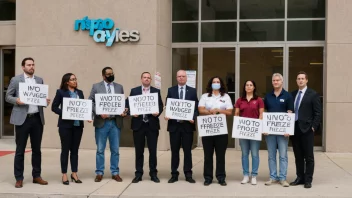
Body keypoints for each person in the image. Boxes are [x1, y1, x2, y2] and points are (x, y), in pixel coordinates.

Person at [5, 57, 51, 188]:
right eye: (29, 65)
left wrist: (45, 102)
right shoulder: (16, 80)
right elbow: (8, 96)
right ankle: (19, 178)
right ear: (23, 67)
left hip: (37, 118)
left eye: (33, 65)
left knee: (37, 150)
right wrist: (17, 100)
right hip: (22, 119)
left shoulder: (39, 80)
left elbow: (40, 97)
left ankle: (37, 176)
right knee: (20, 150)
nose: (31, 67)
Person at [88, 67, 127, 182]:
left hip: (115, 122)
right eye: (108, 74)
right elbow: (91, 101)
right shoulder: (96, 86)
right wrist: (99, 112)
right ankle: (99, 172)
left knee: (115, 150)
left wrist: (124, 110)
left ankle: (115, 172)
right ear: (103, 76)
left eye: (112, 73)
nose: (111, 75)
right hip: (102, 123)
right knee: (100, 149)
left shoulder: (119, 87)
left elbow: (121, 102)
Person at [127, 72, 163, 183]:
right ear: (141, 79)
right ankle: (138, 173)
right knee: (139, 151)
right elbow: (128, 105)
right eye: (144, 77)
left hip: (152, 125)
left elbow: (160, 105)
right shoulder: (134, 91)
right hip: (139, 125)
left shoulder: (156, 91)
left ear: (151, 80)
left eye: (148, 78)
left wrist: (158, 112)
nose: (146, 79)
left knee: (153, 151)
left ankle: (153, 174)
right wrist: (132, 112)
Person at [52, 73, 86, 185]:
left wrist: (87, 116)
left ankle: (74, 173)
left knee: (75, 151)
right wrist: (65, 113)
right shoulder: (61, 92)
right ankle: (64, 174)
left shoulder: (79, 93)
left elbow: (83, 108)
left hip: (78, 126)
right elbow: (54, 107)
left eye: (75, 79)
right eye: (72, 79)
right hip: (65, 126)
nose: (75, 81)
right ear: (67, 82)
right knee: (65, 150)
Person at [198, 76, 233, 186]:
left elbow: (229, 111)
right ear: (211, 84)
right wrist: (211, 112)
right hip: (208, 130)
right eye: (214, 82)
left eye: (218, 82)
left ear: (221, 84)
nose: (216, 83)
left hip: (221, 130)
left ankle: (221, 177)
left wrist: (219, 110)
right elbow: (200, 109)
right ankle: (208, 177)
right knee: (208, 155)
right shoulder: (205, 96)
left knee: (220, 155)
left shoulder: (226, 96)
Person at [165, 70, 198, 184]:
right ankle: (174, 174)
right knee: (174, 151)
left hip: (187, 126)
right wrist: (167, 114)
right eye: (179, 76)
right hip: (174, 126)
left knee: (187, 151)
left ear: (186, 78)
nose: (181, 78)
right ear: (176, 78)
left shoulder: (192, 91)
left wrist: (193, 117)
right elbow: (167, 105)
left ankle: (188, 174)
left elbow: (196, 108)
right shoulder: (171, 90)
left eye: (183, 76)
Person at [290, 71, 322, 189]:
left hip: (307, 129)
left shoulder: (313, 94)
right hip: (294, 129)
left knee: (308, 156)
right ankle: (300, 178)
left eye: (303, 78)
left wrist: (314, 126)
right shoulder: (292, 94)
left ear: (306, 80)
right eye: (298, 78)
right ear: (296, 80)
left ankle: (308, 180)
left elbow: (318, 113)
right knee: (298, 156)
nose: (300, 80)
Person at [263, 73, 294, 187]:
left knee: (283, 155)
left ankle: (282, 178)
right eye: (274, 80)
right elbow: (264, 113)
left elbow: (290, 113)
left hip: (283, 132)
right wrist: (264, 128)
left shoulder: (288, 96)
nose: (275, 82)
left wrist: (288, 130)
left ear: (282, 82)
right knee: (271, 155)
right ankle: (272, 177)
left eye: (277, 80)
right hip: (270, 132)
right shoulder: (268, 96)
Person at [234, 80, 264, 185]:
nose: (249, 86)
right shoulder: (239, 100)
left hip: (254, 131)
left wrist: (259, 127)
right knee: (244, 154)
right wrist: (237, 126)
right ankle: (246, 175)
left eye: (251, 85)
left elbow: (261, 115)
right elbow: (236, 114)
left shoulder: (259, 100)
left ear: (254, 87)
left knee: (255, 154)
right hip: (243, 131)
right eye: (247, 85)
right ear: (244, 87)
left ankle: (254, 175)